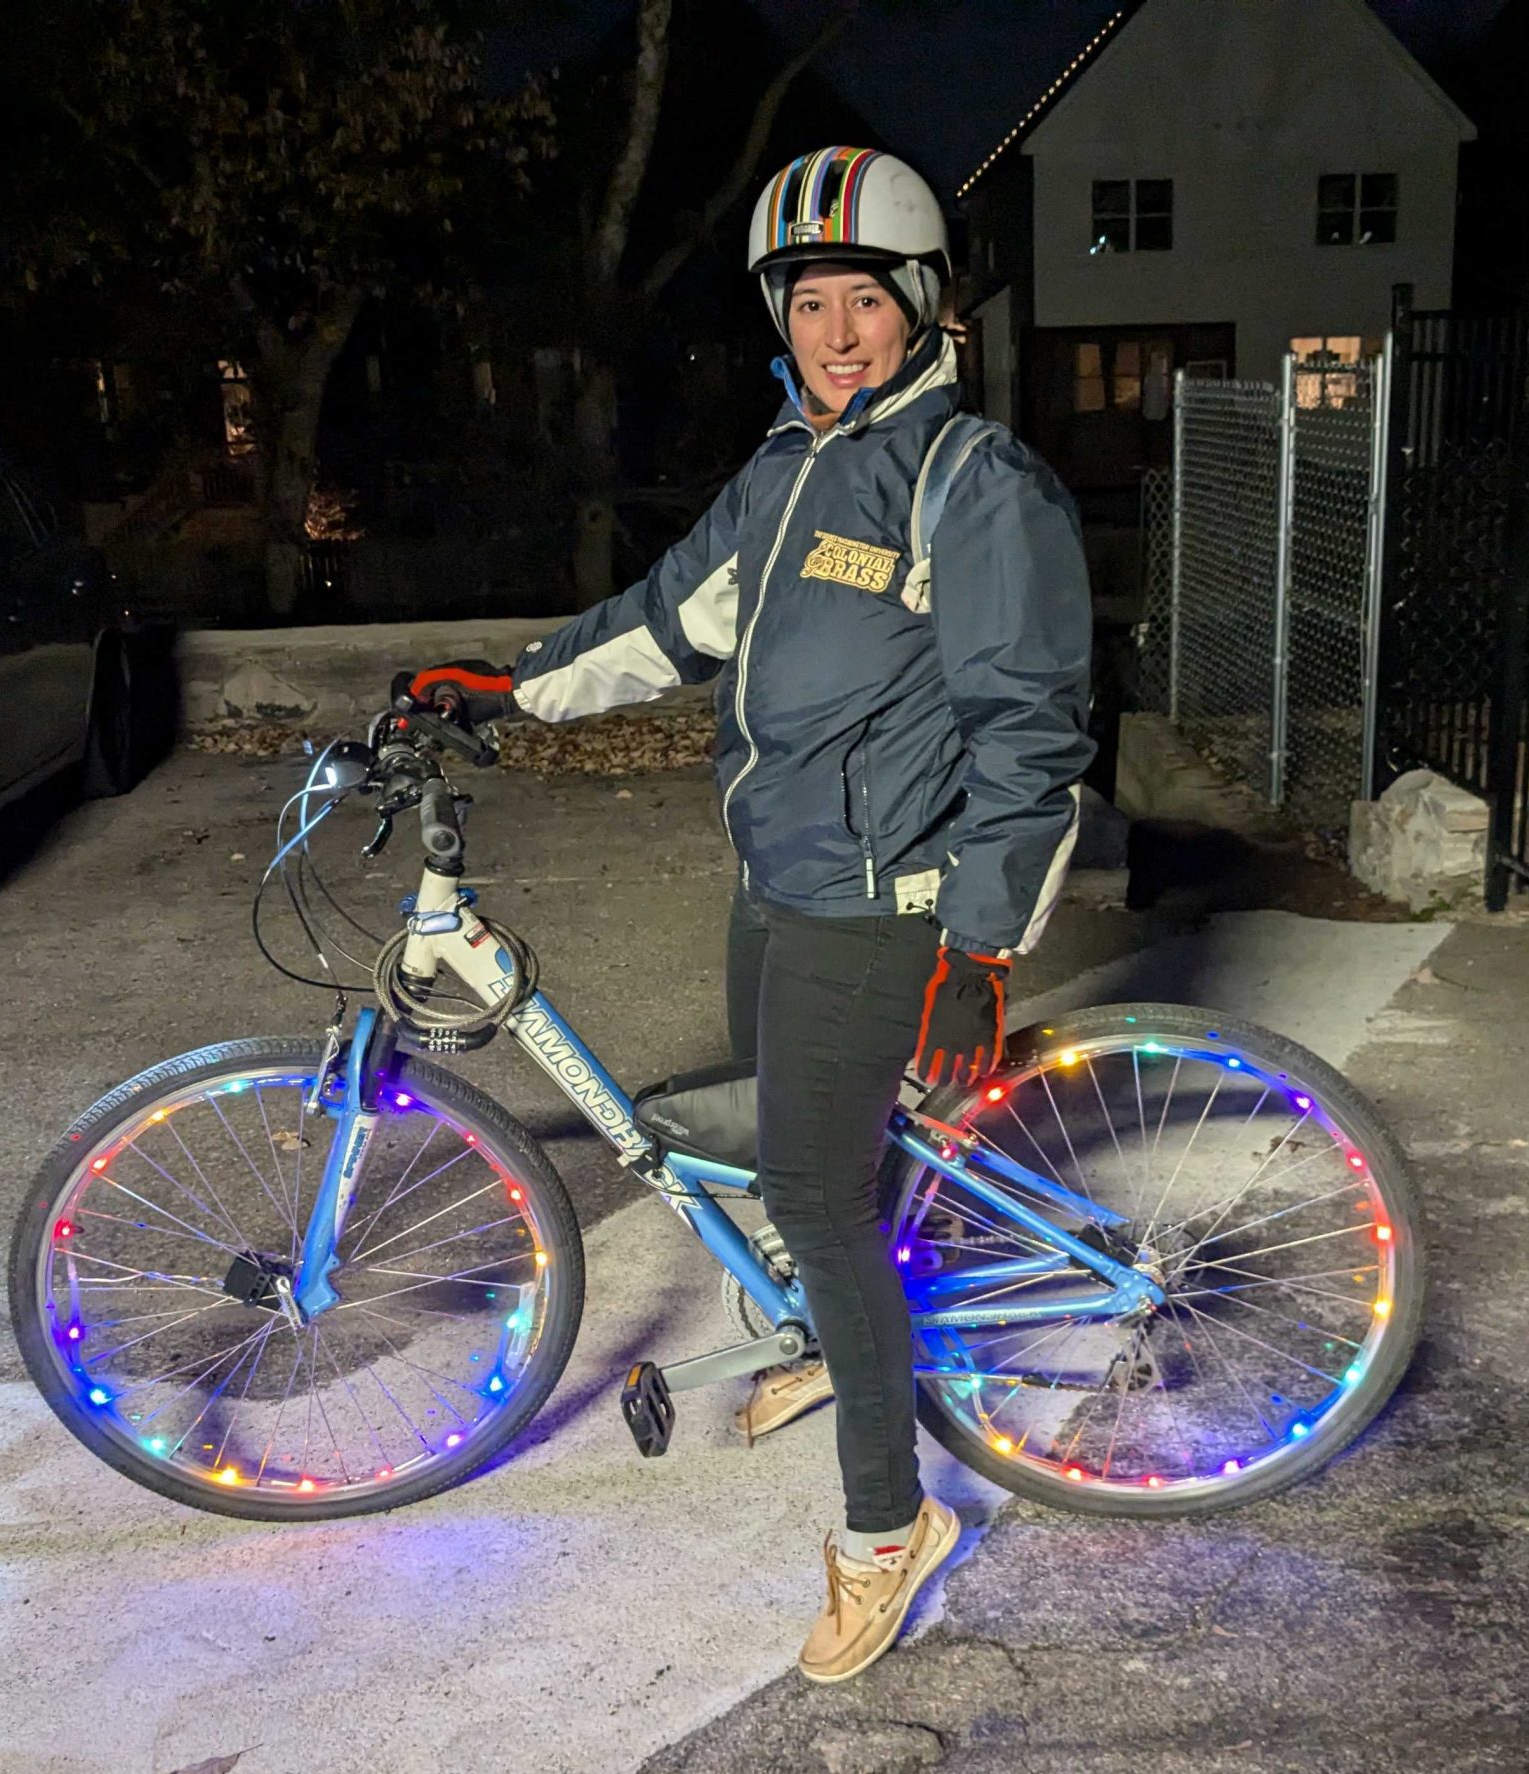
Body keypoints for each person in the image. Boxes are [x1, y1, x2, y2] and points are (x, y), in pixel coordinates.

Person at [401, 147, 1092, 1684]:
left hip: (882, 907)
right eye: (807, 302)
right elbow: (662, 624)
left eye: (863, 299)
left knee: (819, 1196)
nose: (835, 331)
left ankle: (886, 1526)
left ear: (922, 308)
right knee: (791, 1151)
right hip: (778, 887)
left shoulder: (970, 484)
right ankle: (824, 1345)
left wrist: (979, 945)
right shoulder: (782, 475)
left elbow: (1032, 731)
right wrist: (500, 688)